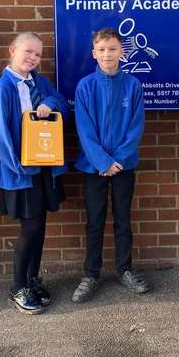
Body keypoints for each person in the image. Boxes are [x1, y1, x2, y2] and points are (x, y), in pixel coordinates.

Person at [0, 32, 69, 316]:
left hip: (44, 167)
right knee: (29, 228)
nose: (32, 58)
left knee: (40, 226)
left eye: (37, 54)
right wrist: (17, 165)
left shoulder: (39, 82)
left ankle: (33, 280)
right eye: (28, 51)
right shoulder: (3, 89)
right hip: (20, 171)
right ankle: (18, 286)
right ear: (12, 50)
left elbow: (60, 100)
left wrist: (50, 104)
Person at [71, 27, 148, 303]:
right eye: (102, 50)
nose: (107, 54)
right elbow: (84, 128)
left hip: (124, 167)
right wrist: (102, 161)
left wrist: (118, 161)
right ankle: (91, 274)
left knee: (123, 220)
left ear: (122, 52)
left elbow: (135, 126)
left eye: (113, 49)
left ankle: (125, 269)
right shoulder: (85, 86)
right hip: (93, 168)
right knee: (95, 221)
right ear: (94, 53)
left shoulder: (133, 86)